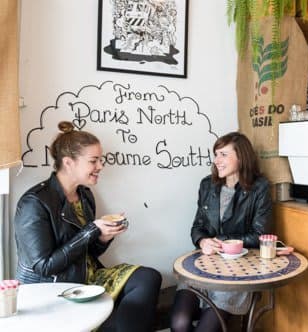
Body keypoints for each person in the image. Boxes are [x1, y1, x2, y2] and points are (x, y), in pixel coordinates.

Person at [14, 121, 162, 332]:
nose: (100, 166)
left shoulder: (84, 195)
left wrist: (103, 237)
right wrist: (92, 230)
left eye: (100, 160)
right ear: (69, 162)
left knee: (148, 277)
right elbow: (44, 266)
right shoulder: (34, 203)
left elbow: (90, 251)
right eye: (94, 160)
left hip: (86, 276)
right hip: (55, 288)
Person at [170, 132, 273, 332]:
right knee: (179, 324)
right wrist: (202, 242)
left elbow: (260, 235)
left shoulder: (259, 188)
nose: (217, 160)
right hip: (203, 266)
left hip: (237, 271)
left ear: (241, 157)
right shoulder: (207, 185)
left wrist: (220, 240)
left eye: (223, 154)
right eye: (216, 154)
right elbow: (197, 227)